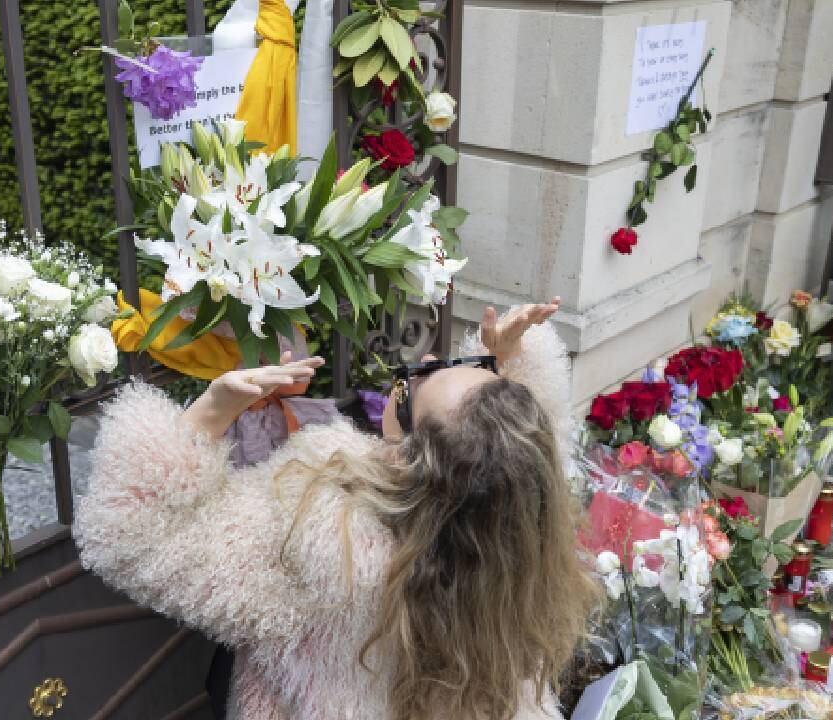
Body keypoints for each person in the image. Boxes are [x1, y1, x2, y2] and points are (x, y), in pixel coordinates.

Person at [74, 299, 601, 719]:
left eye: (410, 390)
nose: (422, 362)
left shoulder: (321, 543)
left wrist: (214, 408)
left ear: (405, 458)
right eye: (470, 367)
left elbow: (132, 535)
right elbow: (503, 459)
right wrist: (509, 363)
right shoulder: (517, 539)